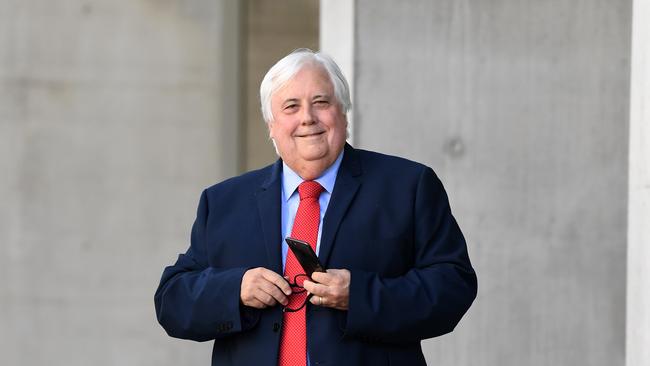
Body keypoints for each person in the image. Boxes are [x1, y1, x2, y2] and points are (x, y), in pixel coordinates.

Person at [154, 48, 477, 366]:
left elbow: (453, 286)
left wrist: (360, 296)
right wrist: (235, 289)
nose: (307, 117)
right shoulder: (224, 201)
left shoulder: (408, 186)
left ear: (343, 113)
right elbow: (172, 302)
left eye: (320, 102)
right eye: (291, 106)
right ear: (271, 125)